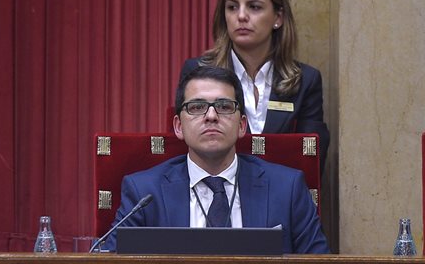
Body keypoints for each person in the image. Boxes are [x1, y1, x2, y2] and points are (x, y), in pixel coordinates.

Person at [103, 64, 328, 254]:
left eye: (224, 106)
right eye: (197, 107)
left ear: (242, 125)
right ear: (178, 127)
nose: (211, 116)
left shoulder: (286, 188)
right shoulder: (144, 192)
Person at [180, 0, 329, 161]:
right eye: (232, 7)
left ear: (278, 17)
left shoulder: (305, 80)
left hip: (282, 191)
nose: (241, 16)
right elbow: (186, 149)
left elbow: (312, 158)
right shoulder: (198, 73)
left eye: (254, 7)